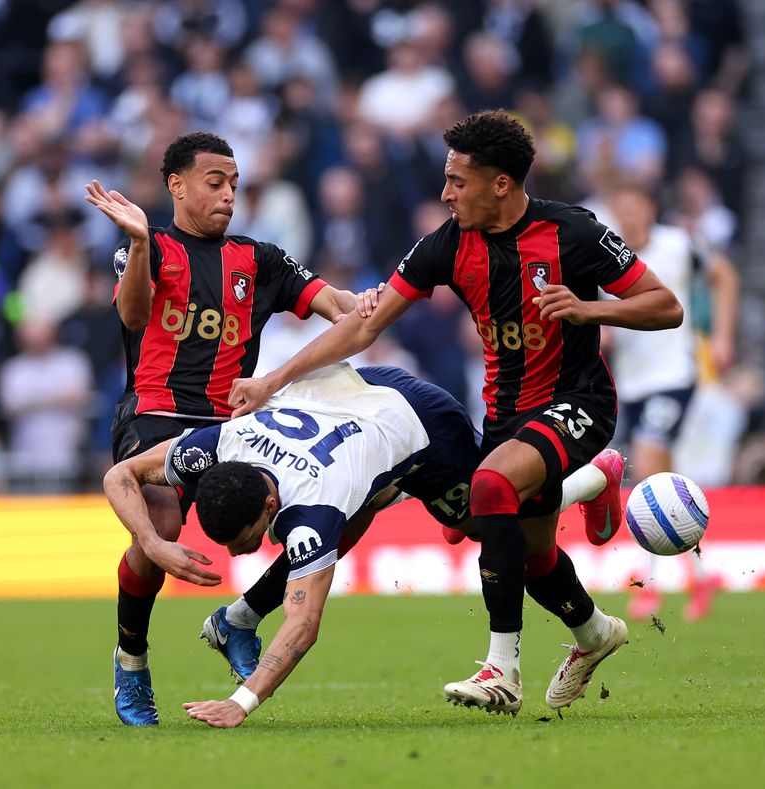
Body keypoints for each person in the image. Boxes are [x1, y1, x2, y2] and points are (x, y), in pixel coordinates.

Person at [228, 110, 683, 714]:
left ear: (501, 183)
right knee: (520, 548)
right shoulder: (447, 243)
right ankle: (596, 624)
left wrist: (588, 310)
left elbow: (666, 306)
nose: (445, 193)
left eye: (456, 181)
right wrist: (273, 380)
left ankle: (503, 669)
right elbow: (366, 325)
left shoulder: (573, 232)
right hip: (505, 417)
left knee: (493, 486)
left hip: (577, 402)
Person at [104, 363, 617, 728]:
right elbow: (121, 474)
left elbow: (303, 625)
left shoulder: (314, 509)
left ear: (269, 507)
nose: (242, 553)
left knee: (494, 530)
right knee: (372, 515)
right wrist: (152, 542)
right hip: (357, 393)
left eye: (247, 540)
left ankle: (594, 476)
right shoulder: (218, 444)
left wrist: (242, 702)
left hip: (424, 421)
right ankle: (237, 619)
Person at [84, 131, 361, 726]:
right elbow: (132, 316)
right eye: (216, 182)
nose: (229, 195)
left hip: (233, 423)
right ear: (177, 186)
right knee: (157, 525)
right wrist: (136, 245)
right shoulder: (149, 247)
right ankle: (130, 662)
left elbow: (334, 304)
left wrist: (373, 302)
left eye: (235, 183)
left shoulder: (260, 259)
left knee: (308, 513)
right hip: (156, 413)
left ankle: (241, 618)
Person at [597, 179, 738, 621]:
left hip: (675, 373)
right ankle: (701, 575)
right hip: (633, 382)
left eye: (637, 207)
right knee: (665, 476)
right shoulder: (608, 259)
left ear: (650, 208)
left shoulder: (679, 244)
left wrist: (721, 338)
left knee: (647, 471)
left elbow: (725, 277)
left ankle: (650, 587)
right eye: (622, 209)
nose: (631, 217)